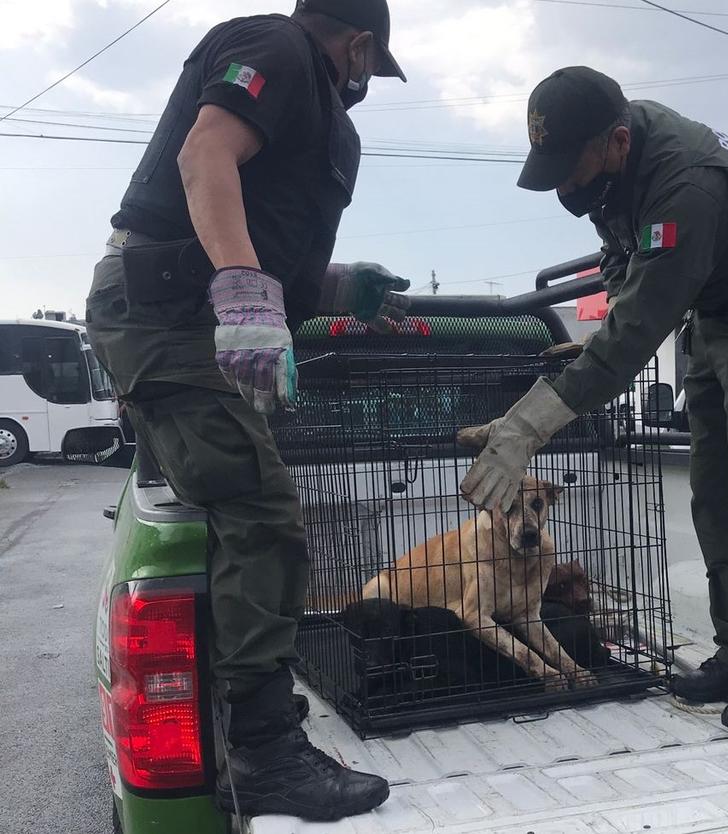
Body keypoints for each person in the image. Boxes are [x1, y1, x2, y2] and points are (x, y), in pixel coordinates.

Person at [86, 0, 410, 821]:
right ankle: (265, 755)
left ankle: (255, 717)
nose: (364, 84)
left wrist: (337, 287)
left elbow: (263, 231)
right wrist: (243, 291)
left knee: (250, 494)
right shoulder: (282, 47)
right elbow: (204, 159)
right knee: (258, 507)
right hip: (167, 310)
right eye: (369, 67)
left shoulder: (320, 115)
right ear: (360, 44)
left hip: (195, 310)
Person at [459, 66, 728, 736]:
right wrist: (608, 324)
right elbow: (622, 265)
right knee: (715, 491)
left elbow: (637, 334)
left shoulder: (684, 185)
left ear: (614, 142)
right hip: (716, 313)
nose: (564, 187)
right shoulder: (616, 166)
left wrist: (528, 426)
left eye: (570, 169)